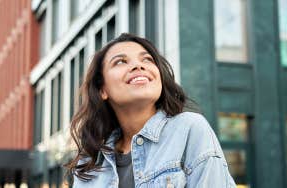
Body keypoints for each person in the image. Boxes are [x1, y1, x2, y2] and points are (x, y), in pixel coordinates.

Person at [66, 33, 236, 187]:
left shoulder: (189, 129)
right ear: (102, 89)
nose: (138, 66)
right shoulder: (89, 163)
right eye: (120, 61)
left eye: (147, 59)